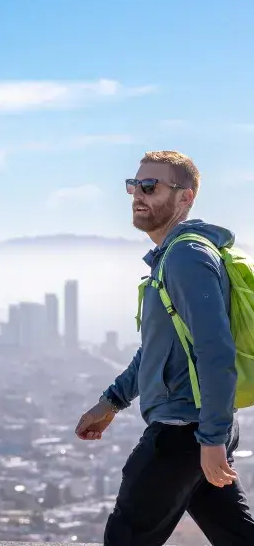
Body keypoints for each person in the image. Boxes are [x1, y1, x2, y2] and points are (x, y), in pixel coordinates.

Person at [74, 150, 254, 545]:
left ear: (185, 198)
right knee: (237, 536)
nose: (138, 194)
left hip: (183, 432)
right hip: (198, 427)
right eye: (134, 185)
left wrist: (209, 441)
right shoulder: (172, 257)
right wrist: (111, 403)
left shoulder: (186, 257)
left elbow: (215, 351)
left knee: (126, 537)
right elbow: (157, 350)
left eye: (150, 186)